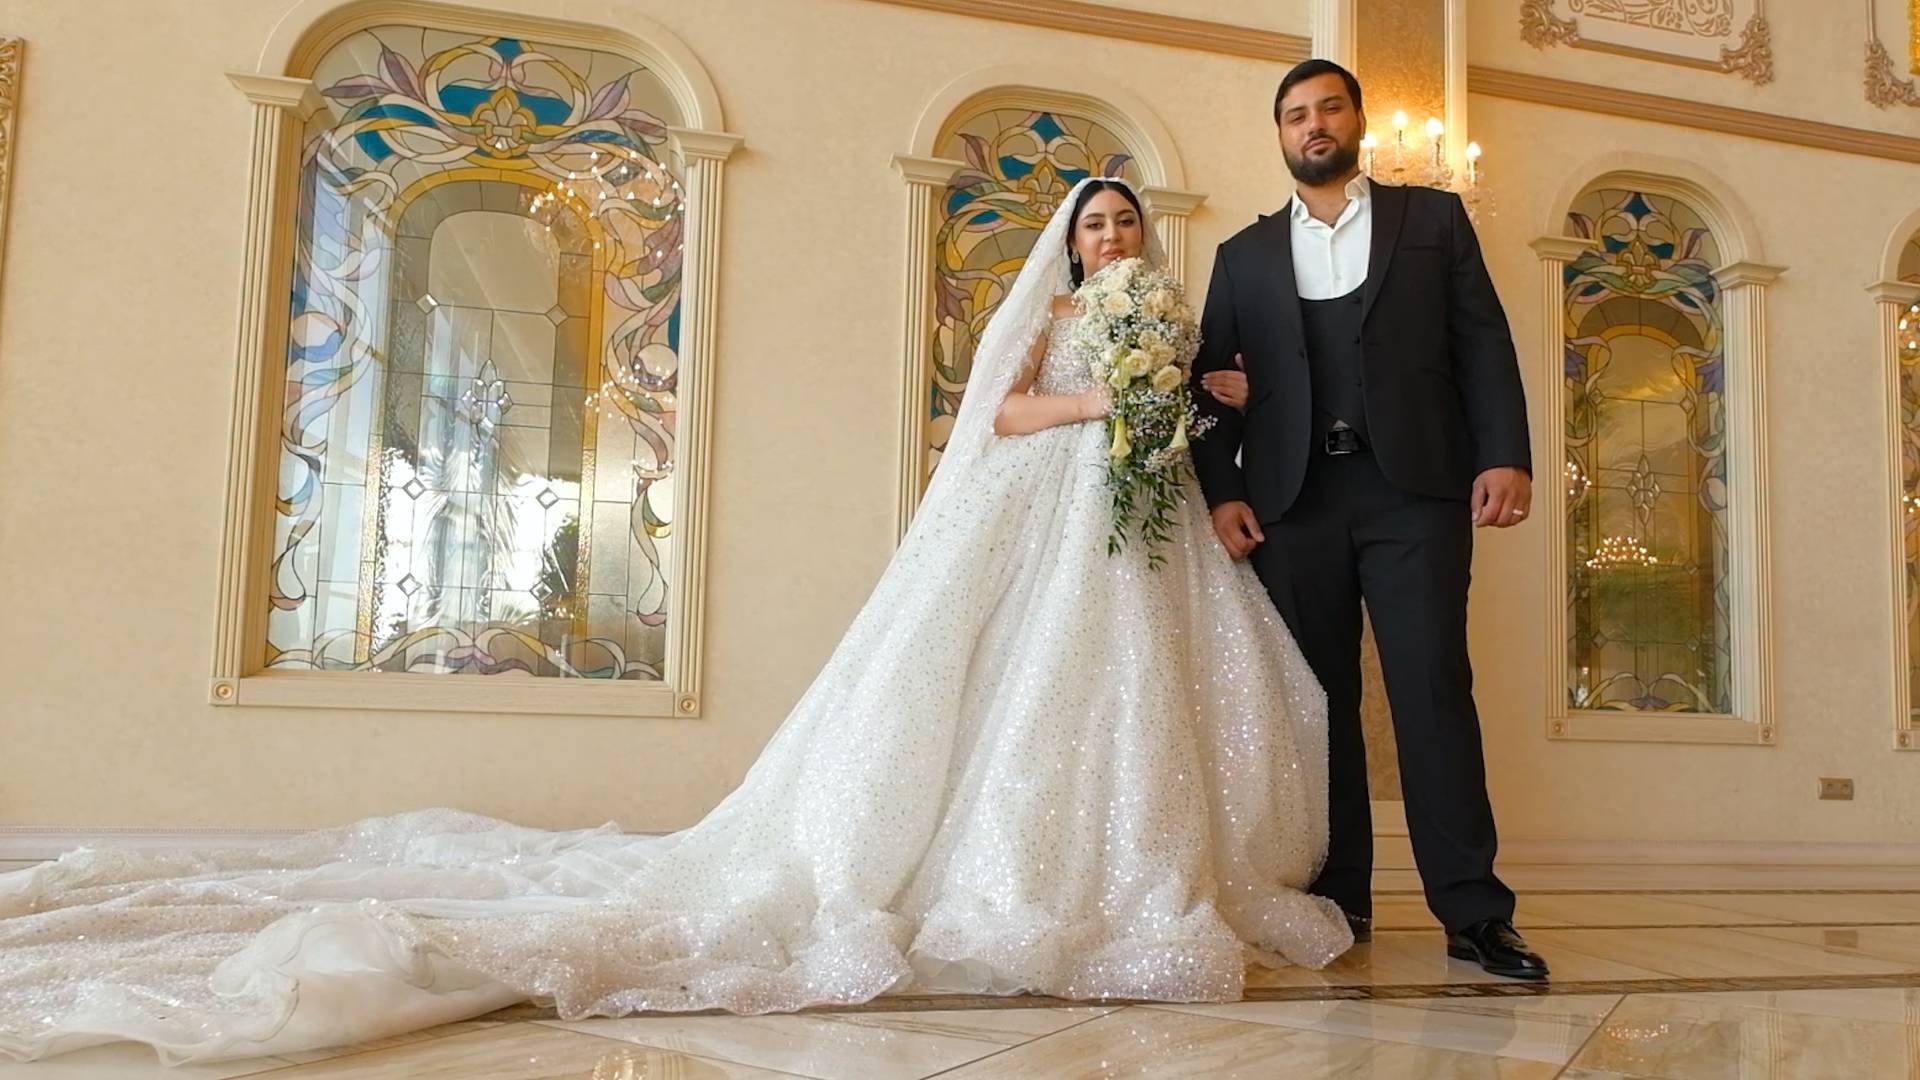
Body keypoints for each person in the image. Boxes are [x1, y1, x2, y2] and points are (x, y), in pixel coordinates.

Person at [0, 176, 1348, 1065]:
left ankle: (1134, 875)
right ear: (1073, 238)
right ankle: (1020, 882)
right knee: (1038, 684)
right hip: (1052, 513)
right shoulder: (1050, 311)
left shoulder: (1163, 313)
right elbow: (998, 415)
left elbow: (1185, 418)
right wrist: (1108, 398)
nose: (1113, 240)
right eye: (1098, 226)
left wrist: (1195, 394)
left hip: (1143, 528)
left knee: (1145, 692)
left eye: (1125, 227)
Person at [1190, 59, 1549, 982]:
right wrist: (1223, 492)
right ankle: (1337, 899)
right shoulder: (1242, 255)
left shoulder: (1433, 221)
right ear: (1280, 135)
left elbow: (1483, 342)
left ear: (1357, 121)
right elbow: (1209, 391)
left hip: (1415, 495)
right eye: (1295, 115)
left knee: (1434, 692)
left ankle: (1475, 914)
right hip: (1292, 504)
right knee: (1317, 706)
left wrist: (1505, 453)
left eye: (1328, 108)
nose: (1313, 125)